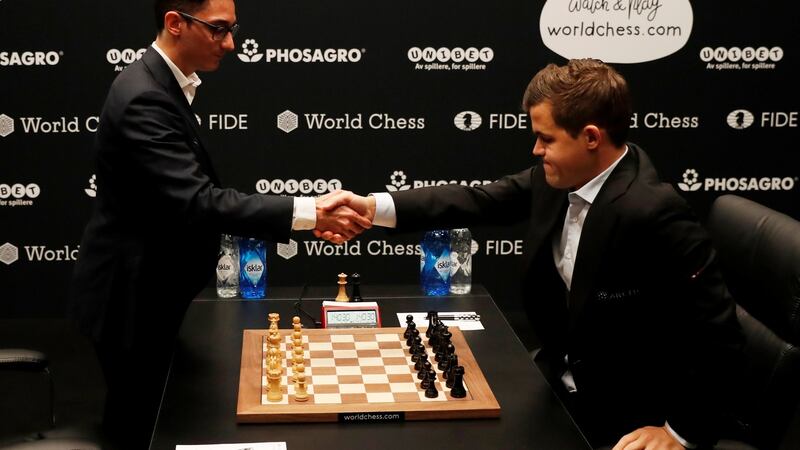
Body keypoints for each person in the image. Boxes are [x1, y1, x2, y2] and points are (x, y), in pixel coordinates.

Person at [318, 59, 744, 449]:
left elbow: (719, 336)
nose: (535, 150)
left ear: (591, 138)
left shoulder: (654, 212)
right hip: (558, 384)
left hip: (622, 418)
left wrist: (679, 432)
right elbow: (476, 200)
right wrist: (372, 208)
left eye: (545, 138)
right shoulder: (559, 177)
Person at [69, 0, 369, 447]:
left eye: (232, 29)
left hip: (154, 290)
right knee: (140, 427)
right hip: (132, 301)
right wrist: (310, 214)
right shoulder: (144, 97)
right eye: (218, 29)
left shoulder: (162, 85)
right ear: (175, 23)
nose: (230, 43)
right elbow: (197, 201)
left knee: (162, 418)